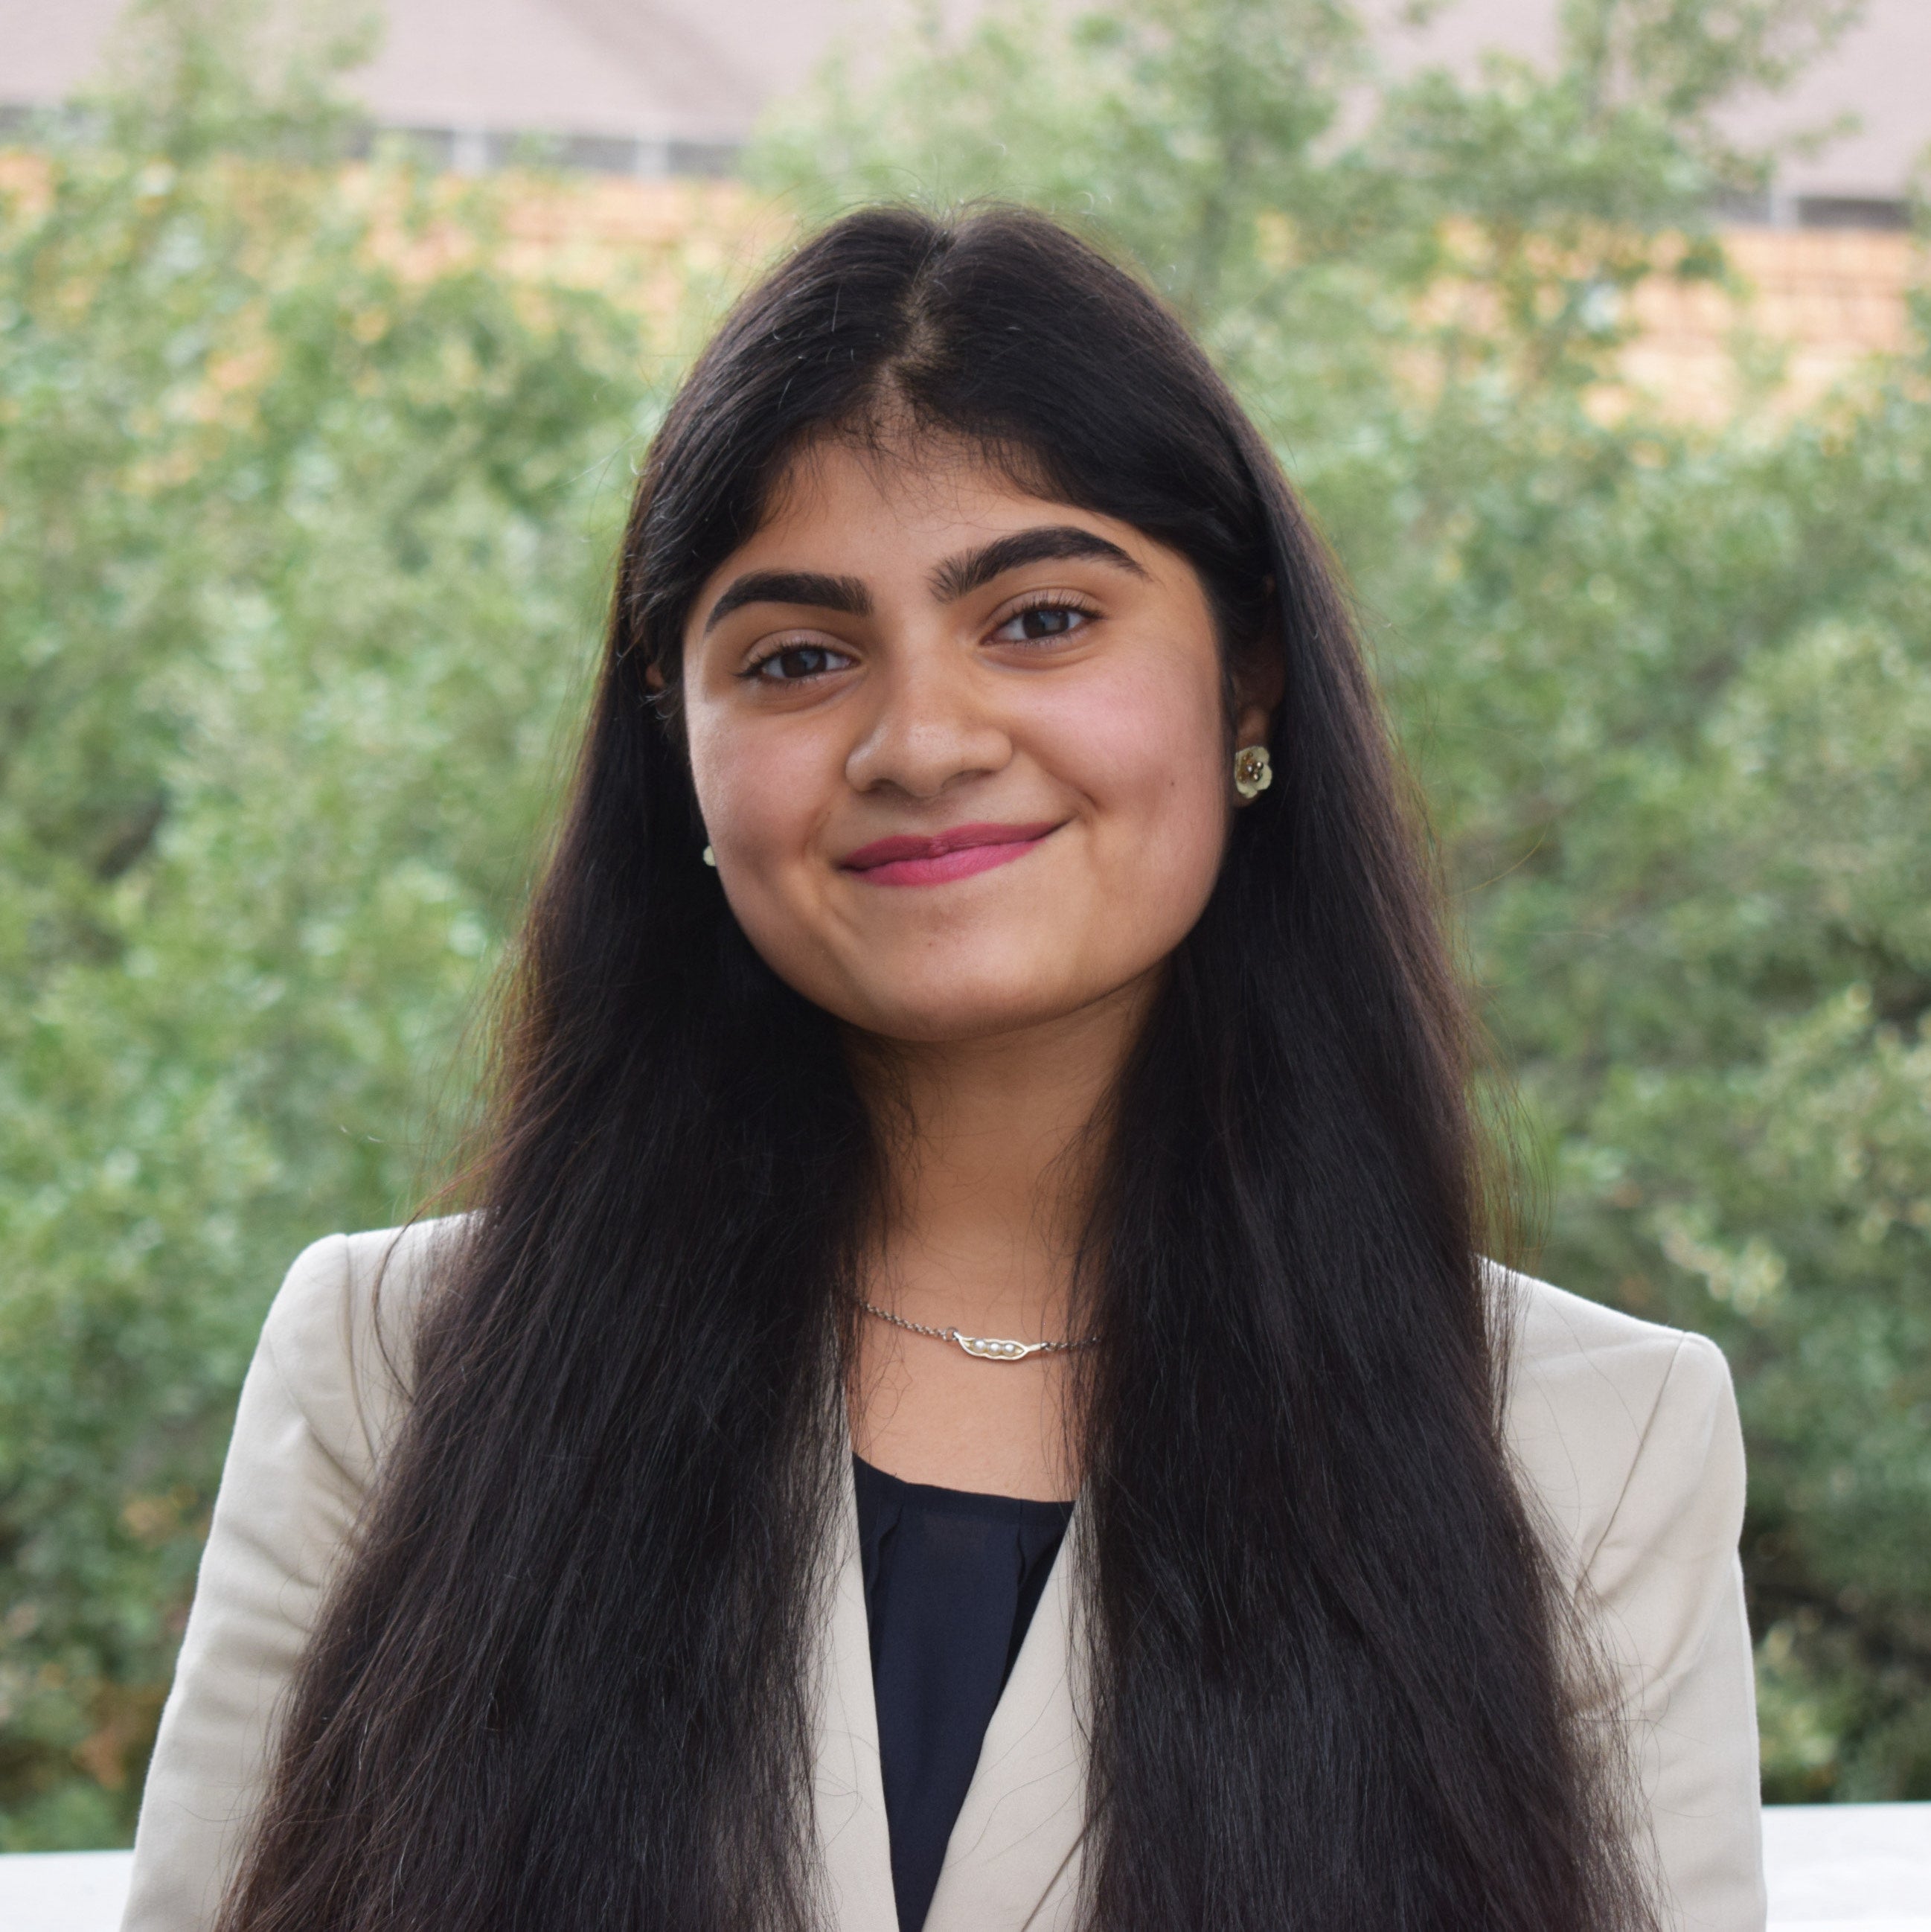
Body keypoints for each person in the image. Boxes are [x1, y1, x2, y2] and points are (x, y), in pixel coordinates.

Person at [121, 205, 1764, 1932]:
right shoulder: (389, 1375)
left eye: (1041, 618)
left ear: (1248, 678)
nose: (920, 741)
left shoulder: (1593, 1447)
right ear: (672, 744)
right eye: (798, 657)